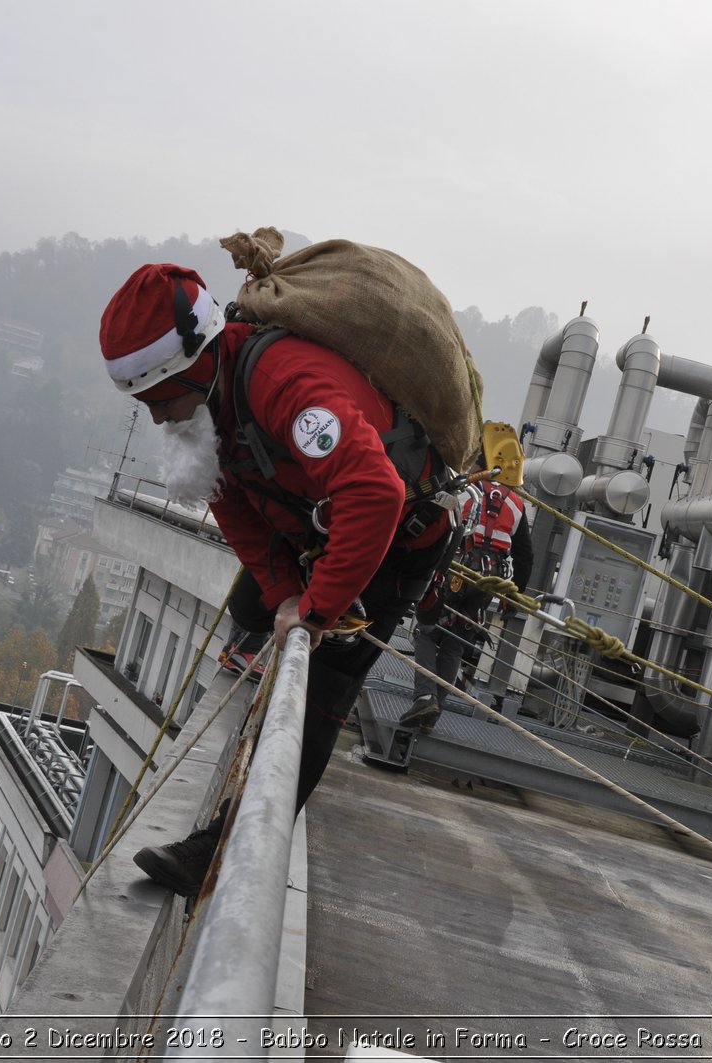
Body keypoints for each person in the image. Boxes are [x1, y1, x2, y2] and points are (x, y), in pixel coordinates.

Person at [97, 263, 457, 896]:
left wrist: (315, 612)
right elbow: (234, 509)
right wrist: (284, 590)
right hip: (321, 527)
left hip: (399, 539)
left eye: (158, 400)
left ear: (194, 366)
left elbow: (375, 494)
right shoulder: (213, 406)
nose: (156, 420)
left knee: (320, 688)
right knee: (259, 603)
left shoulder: (283, 386)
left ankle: (225, 847)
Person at [400, 476, 533, 732]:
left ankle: (425, 698)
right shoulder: (515, 503)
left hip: (457, 570)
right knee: (454, 645)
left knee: (426, 632)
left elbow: (438, 527)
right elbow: (525, 555)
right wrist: (512, 597)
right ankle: (431, 717)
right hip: (488, 580)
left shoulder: (466, 489)